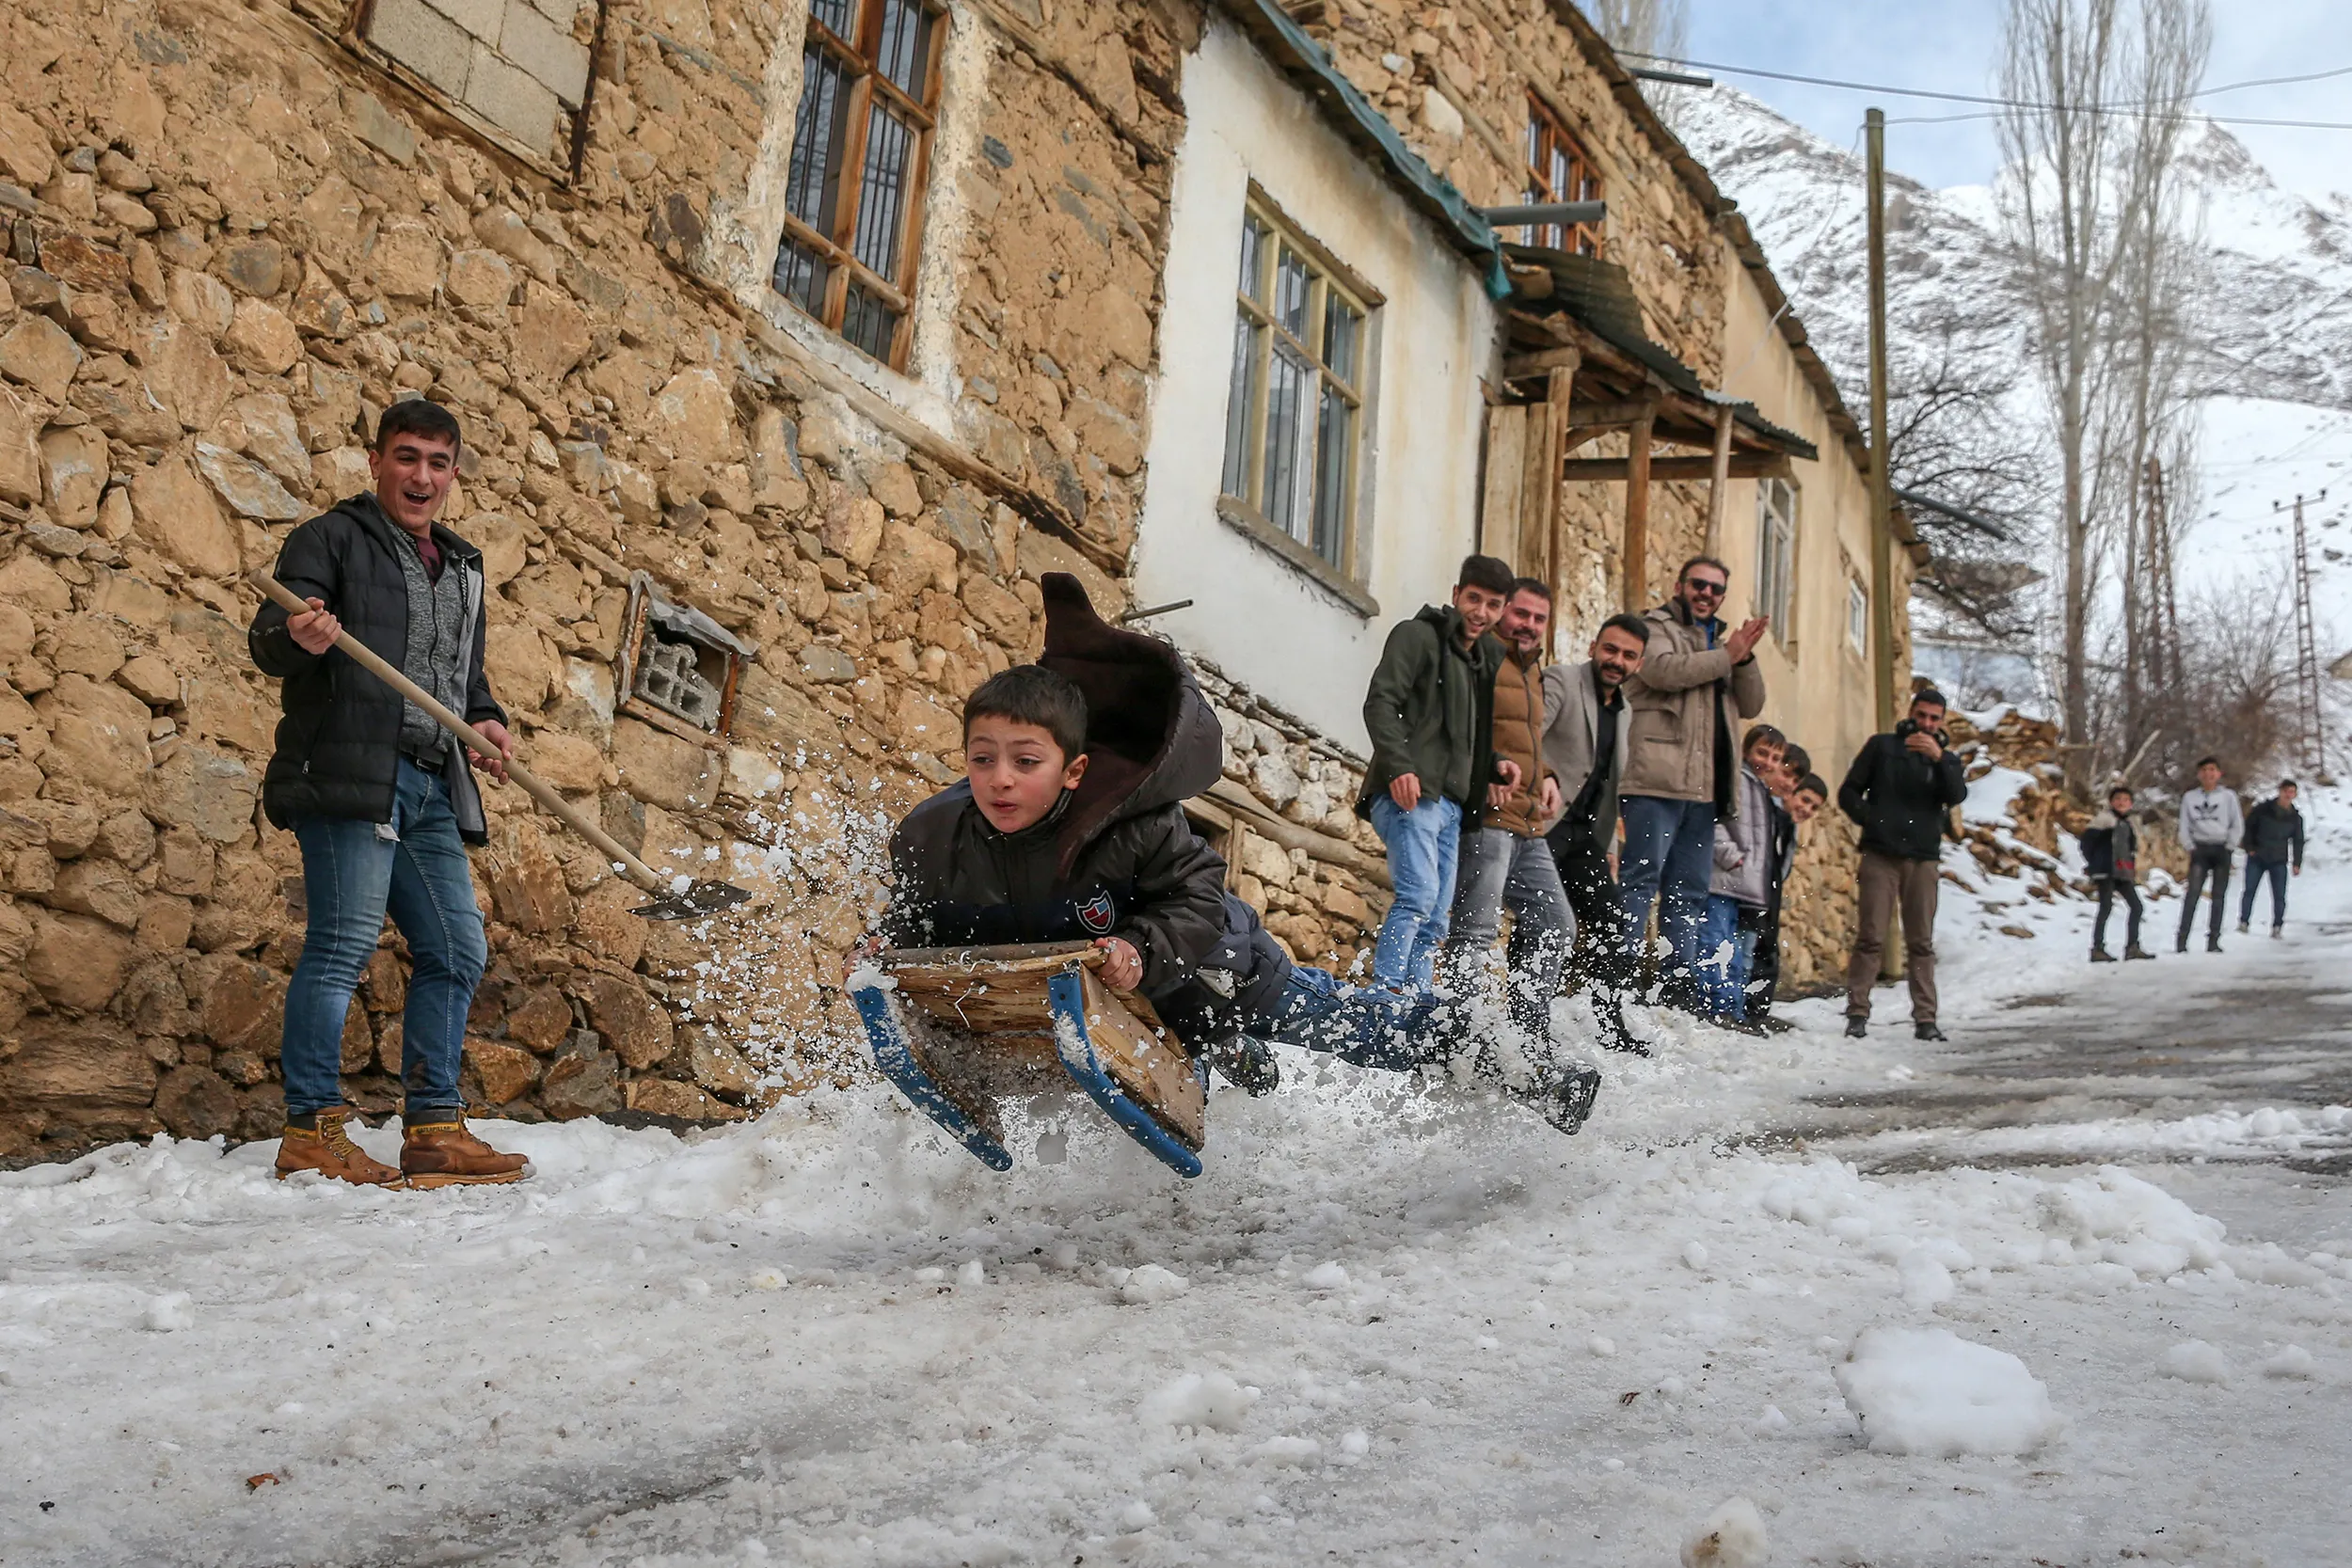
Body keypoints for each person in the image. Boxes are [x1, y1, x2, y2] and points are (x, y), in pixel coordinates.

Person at [879, 575, 1601, 1133]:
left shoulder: (1131, 822)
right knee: (1200, 1041)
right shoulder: (933, 837)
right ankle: (1227, 1053)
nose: (1000, 779)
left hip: (1220, 968)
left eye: (1024, 760)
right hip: (1119, 1000)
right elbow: (922, 918)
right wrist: (885, 949)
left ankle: (1497, 1052)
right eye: (982, 758)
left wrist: (1139, 947)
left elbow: (1195, 897)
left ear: (1073, 769)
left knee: (1357, 1025)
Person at [247, 400, 528, 1189]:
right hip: (350, 773)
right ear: (376, 462)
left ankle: (435, 1127)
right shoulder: (330, 538)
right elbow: (270, 636)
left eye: (438, 463)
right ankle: (311, 1129)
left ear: (454, 474)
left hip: (435, 782)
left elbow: (463, 681)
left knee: (457, 948)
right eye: (407, 457)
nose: (422, 476)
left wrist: (487, 724)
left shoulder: (464, 566)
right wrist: (295, 635)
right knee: (343, 943)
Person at [1358, 555, 1517, 991]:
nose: (1480, 613)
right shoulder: (1416, 636)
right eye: (1474, 599)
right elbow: (1380, 703)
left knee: (1436, 916)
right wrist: (1399, 767)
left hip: (1451, 805)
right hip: (1410, 795)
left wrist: (1494, 764)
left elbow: (1463, 735)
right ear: (1456, 595)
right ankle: (1385, 994)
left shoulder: (1481, 661)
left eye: (1492, 604)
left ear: (1502, 611)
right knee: (1418, 897)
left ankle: (1417, 1002)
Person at [1617, 557, 1768, 1010]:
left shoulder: (1722, 645)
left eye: (1715, 589)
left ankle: (1674, 993)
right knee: (1640, 881)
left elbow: (1754, 702)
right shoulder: (1655, 626)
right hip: (1655, 782)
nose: (1706, 593)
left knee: (1688, 893)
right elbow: (1663, 671)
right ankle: (1618, 982)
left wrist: (1745, 655)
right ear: (1680, 585)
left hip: (1704, 791)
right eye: (1698, 585)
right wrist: (1728, 655)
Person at [1439, 578, 1572, 1039]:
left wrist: (1548, 774)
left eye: (1539, 618)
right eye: (1521, 613)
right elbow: (1463, 727)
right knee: (1475, 930)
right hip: (1489, 815)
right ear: (1503, 612)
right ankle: (1458, 1036)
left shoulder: (1532, 669)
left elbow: (1521, 736)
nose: (1529, 625)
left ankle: (1525, 1037)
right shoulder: (1482, 656)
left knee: (1556, 925)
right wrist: (1482, 780)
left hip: (1529, 820)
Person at [1540, 612, 1650, 1053]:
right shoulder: (1562, 681)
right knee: (1543, 923)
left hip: (1586, 840)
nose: (1616, 661)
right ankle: (1526, 1018)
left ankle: (1608, 1021)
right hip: (1543, 828)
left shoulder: (1625, 712)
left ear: (1638, 665)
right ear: (1593, 647)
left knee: (1611, 922)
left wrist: (1609, 847)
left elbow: (1608, 785)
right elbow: (1527, 736)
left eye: (1628, 656)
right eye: (1611, 649)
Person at [1838, 688, 1968, 1041]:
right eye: (1922, 715)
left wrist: (1940, 759)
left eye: (1934, 718)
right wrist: (1873, 820)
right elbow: (1848, 792)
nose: (1926, 723)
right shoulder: (1882, 747)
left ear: (1942, 721)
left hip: (1923, 858)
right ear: (1911, 713)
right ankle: (1857, 1013)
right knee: (1870, 937)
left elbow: (1956, 795)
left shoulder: (1947, 760)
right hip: (1881, 854)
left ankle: (1926, 1019)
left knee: (1921, 942)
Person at [1699, 724, 1785, 1025]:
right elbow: (1716, 819)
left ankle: (1732, 1011)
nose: (1768, 762)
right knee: (1715, 944)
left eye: (1776, 758)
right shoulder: (1736, 779)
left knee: (1735, 952)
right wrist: (1731, 857)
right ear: (1747, 751)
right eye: (1762, 752)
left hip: (1743, 886)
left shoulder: (1761, 790)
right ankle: (1712, 1008)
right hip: (1723, 879)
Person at [1746, 769, 1828, 1033]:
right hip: (1755, 892)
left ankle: (1757, 1010)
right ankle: (1744, 1010)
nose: (1806, 810)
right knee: (1752, 950)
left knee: (1767, 952)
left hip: (1770, 894)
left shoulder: (1787, 825)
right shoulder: (1771, 817)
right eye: (1804, 800)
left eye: (1813, 807)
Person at [2080, 784, 2154, 962]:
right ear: (2111, 802)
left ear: (2130, 803)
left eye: (2126, 800)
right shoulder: (2103, 820)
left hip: (2123, 871)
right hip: (2106, 870)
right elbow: (2086, 843)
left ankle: (2132, 947)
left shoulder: (2129, 823)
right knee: (2106, 907)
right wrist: (2094, 862)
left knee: (2137, 907)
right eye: (2118, 799)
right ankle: (2097, 948)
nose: (2122, 803)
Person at [2175, 756, 2241, 954]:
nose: (2208, 774)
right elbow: (2184, 824)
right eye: (2204, 770)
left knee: (2218, 895)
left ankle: (2213, 939)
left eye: (2212, 770)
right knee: (2193, 893)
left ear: (2219, 773)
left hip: (2221, 848)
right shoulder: (2190, 797)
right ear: (2198, 774)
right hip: (2200, 849)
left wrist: (2231, 845)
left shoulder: (2228, 797)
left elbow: (2236, 823)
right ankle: (2182, 939)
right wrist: (2189, 845)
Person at [2239, 779, 2305, 937]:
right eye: (2286, 791)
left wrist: (2297, 862)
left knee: (2279, 896)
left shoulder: (2295, 817)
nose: (2288, 795)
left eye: (2292, 792)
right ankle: (2243, 921)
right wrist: (2249, 848)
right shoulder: (2262, 810)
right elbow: (2248, 828)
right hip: (2258, 856)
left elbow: (2298, 841)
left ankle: (2277, 925)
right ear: (2280, 791)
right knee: (2249, 890)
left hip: (2278, 859)